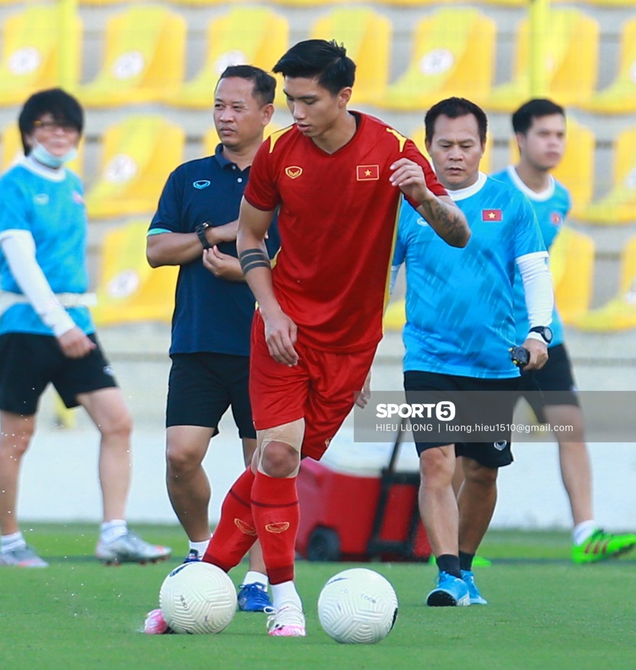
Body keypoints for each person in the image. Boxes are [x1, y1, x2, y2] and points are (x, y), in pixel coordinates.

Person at [200, 39, 470, 637]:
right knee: (275, 453)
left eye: (308, 100)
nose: (296, 112)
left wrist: (423, 195)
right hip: (284, 330)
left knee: (276, 473)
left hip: (350, 346)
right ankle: (284, 597)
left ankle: (204, 576)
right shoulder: (277, 156)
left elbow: (459, 234)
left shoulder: (393, 150)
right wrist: (269, 310)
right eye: (290, 99)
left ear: (343, 96)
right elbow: (249, 239)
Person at [0, 88, 171, 567]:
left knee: (118, 421)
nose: (59, 134)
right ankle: (10, 543)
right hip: (27, 326)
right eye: (48, 125)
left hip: (76, 323)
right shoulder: (14, 184)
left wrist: (73, 324)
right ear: (29, 132)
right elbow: (22, 262)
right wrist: (57, 322)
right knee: (17, 436)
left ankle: (114, 533)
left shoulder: (73, 183)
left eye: (67, 126)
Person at [393, 97, 554, 606]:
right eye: (445, 145)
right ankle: (446, 577)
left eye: (466, 145)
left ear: (483, 147)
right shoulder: (404, 206)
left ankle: (465, 568)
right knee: (437, 465)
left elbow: (534, 270)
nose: (456, 155)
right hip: (428, 361)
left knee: (482, 472)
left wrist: (538, 332)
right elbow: (379, 279)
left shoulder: (510, 204)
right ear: (428, 147)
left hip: (494, 362)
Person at [143, 65, 280, 628]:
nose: (224, 116)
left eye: (236, 107)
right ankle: (202, 551)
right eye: (218, 106)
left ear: (267, 114)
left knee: (262, 464)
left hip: (267, 344)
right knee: (180, 457)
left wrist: (247, 270)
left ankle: (257, 576)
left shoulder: (289, 179)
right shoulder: (189, 176)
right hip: (197, 342)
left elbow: (305, 266)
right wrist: (213, 235)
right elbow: (155, 250)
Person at [493, 98, 636, 563]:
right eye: (545, 134)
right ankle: (449, 547)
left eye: (560, 135)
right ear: (521, 138)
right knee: (475, 444)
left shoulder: (561, 198)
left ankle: (585, 533)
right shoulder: (494, 191)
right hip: (494, 338)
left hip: (545, 334)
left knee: (571, 426)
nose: (554, 142)